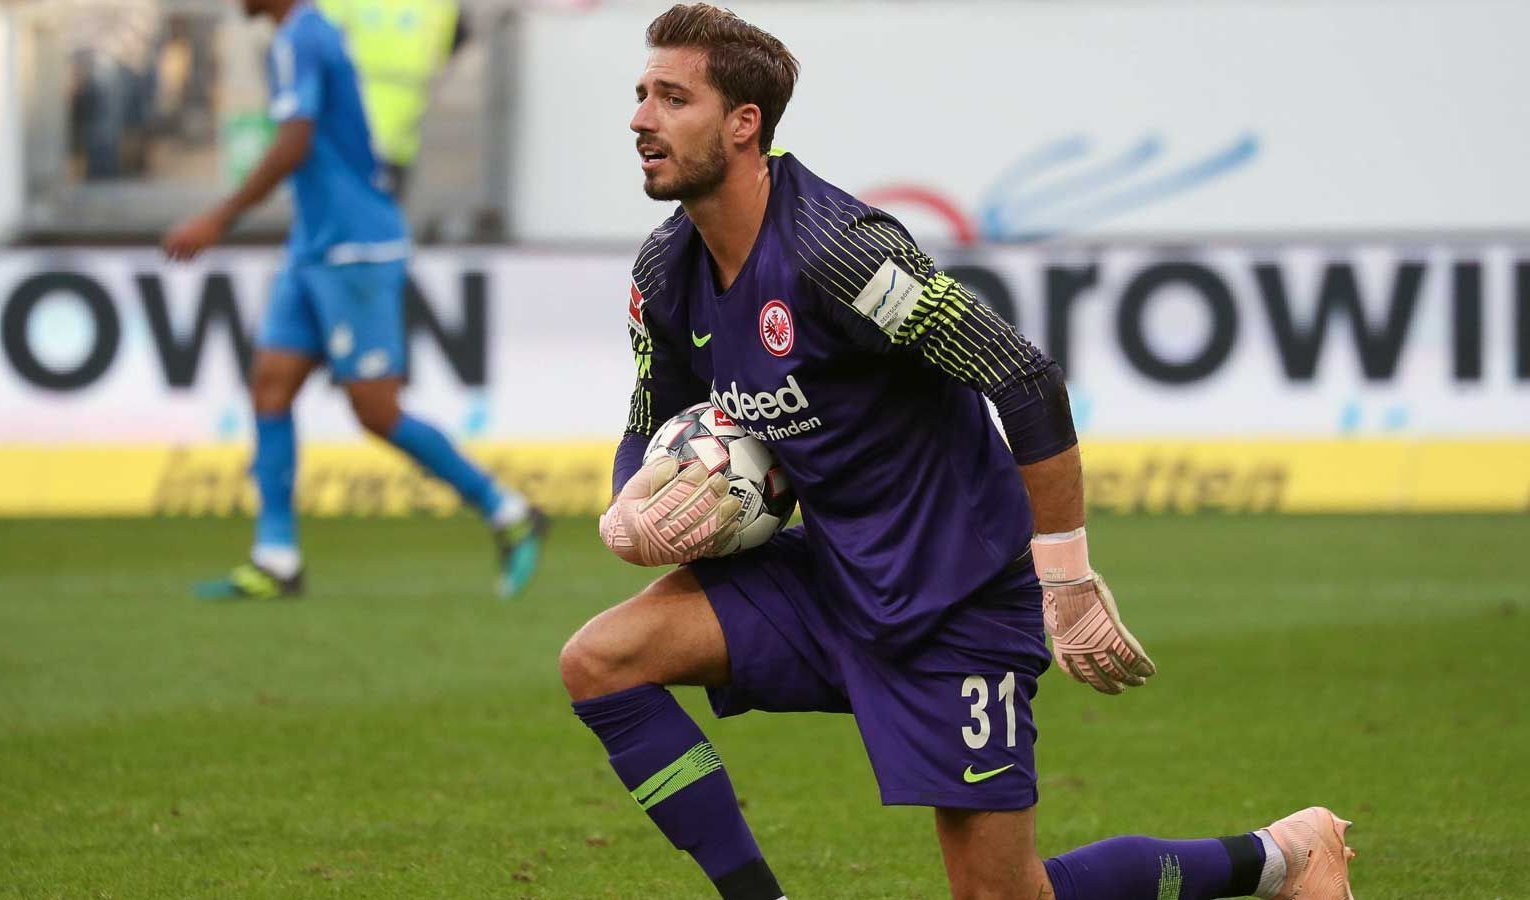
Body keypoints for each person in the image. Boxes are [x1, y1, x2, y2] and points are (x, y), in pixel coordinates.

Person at [557, 5, 1355, 900]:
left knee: (1002, 896)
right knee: (600, 661)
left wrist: (1067, 579)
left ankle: (1285, 855)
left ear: (744, 124)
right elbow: (651, 416)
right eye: (641, 95)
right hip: (823, 576)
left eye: (672, 97)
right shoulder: (666, 271)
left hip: (954, 598)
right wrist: (632, 506)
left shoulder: (838, 254)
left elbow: (1023, 376)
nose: (640, 119)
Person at [162, 0, 545, 600]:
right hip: (314, 246)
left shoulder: (302, 38)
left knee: (376, 410)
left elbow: (294, 142)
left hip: (355, 249)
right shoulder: (298, 35)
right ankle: (276, 557)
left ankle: (507, 510)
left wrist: (218, 219)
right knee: (270, 384)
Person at [318, 0, 466, 200]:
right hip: (399, 131)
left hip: (354, 130)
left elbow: (313, 31)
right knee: (385, 215)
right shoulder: (438, 6)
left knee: (351, 214)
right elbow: (458, 37)